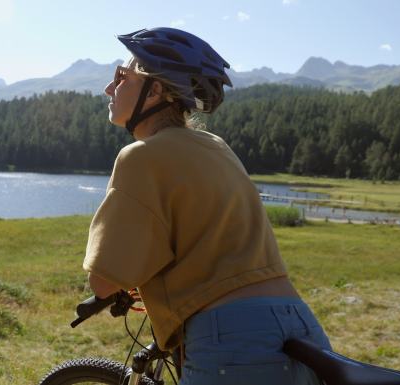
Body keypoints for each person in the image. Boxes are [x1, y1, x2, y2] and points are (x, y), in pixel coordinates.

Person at [82, 27, 331, 385]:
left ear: (154, 91)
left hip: (233, 338)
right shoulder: (216, 146)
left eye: (121, 77)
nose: (110, 88)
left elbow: (103, 281)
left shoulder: (141, 156)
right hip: (300, 326)